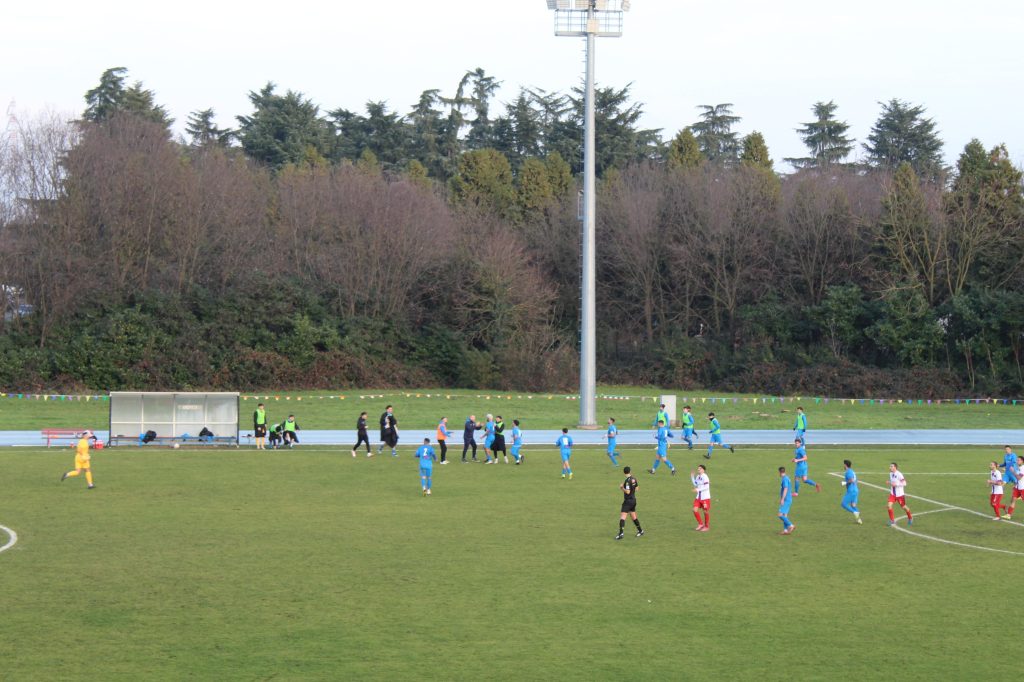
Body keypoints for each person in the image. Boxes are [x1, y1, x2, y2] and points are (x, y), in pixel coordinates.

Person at [616, 466, 644, 539]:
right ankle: (640, 531)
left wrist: (622, 487)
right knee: (633, 517)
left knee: (622, 518)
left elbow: (627, 491)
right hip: (633, 500)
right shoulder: (633, 479)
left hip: (628, 501)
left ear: (624, 472)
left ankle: (621, 534)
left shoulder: (627, 481)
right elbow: (637, 488)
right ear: (630, 471)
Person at [887, 462, 913, 526]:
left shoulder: (899, 474)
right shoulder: (890, 474)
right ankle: (892, 520)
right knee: (889, 506)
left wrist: (896, 484)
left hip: (900, 495)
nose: (890, 467)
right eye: (890, 466)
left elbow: (904, 483)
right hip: (893, 494)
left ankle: (910, 517)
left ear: (895, 467)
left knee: (904, 507)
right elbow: (893, 482)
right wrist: (890, 482)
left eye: (891, 466)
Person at [840, 459, 862, 524]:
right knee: (853, 505)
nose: (843, 466)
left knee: (843, 504)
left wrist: (845, 483)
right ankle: (859, 520)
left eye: (843, 464)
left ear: (845, 465)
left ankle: (855, 512)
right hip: (856, 490)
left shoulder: (848, 472)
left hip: (851, 491)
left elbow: (851, 480)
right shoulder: (852, 471)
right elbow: (855, 480)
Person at [691, 464, 711, 531]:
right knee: (694, 510)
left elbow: (707, 487)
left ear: (703, 470)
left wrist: (697, 490)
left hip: (705, 498)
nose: (698, 469)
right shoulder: (698, 476)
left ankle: (707, 526)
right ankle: (700, 524)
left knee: (705, 511)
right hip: (698, 497)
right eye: (698, 468)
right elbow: (695, 484)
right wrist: (692, 476)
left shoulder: (705, 477)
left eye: (699, 468)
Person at [1005, 455, 1024, 520]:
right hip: (1017, 487)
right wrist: (1015, 484)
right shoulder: (1019, 467)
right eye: (1017, 460)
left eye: (1018, 460)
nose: (1017, 461)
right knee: (1013, 500)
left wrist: (1013, 471)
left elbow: (1019, 477)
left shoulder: (1023, 468)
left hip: (1022, 488)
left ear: (1022, 461)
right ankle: (1008, 515)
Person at [778, 466, 795, 535]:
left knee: (780, 515)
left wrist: (782, 499)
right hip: (789, 499)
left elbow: (785, 489)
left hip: (786, 499)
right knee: (785, 515)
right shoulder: (787, 478)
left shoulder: (784, 479)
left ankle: (791, 525)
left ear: (779, 472)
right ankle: (785, 530)